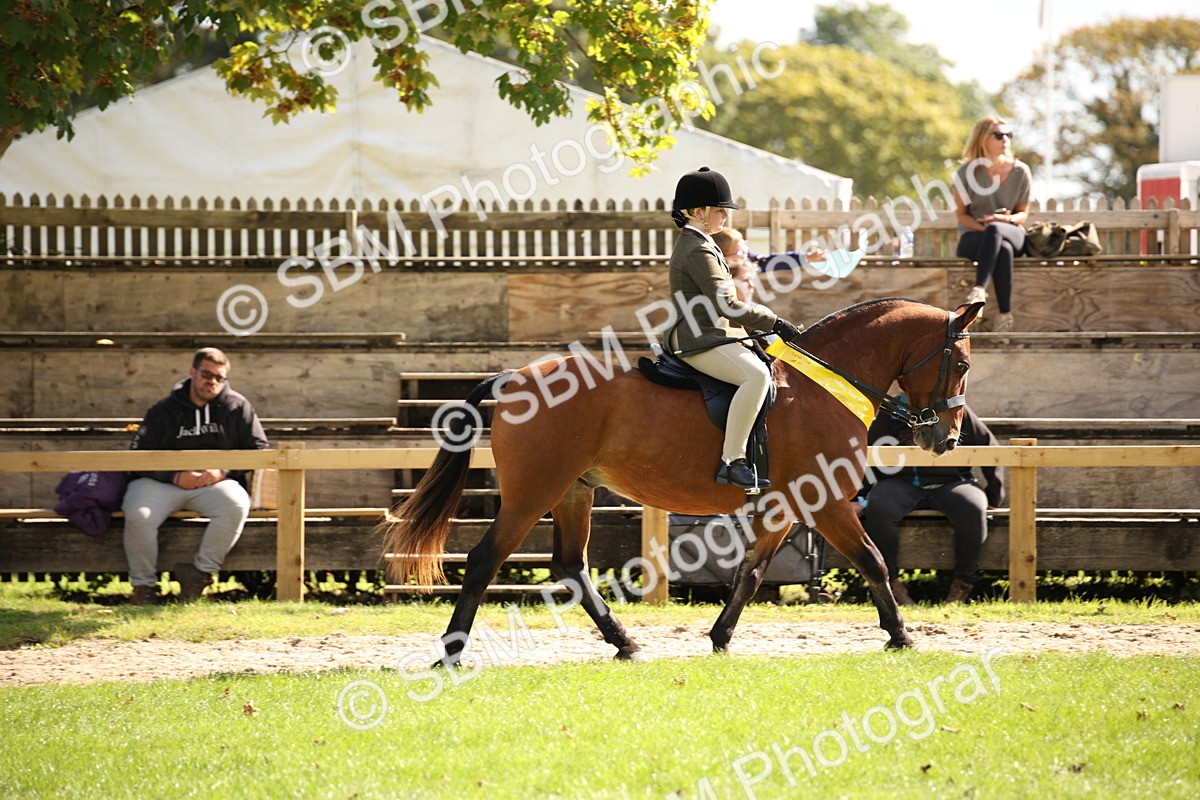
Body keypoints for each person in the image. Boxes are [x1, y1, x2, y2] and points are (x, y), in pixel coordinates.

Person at [667, 167, 804, 491]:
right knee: (755, 376)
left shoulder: (701, 242)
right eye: (719, 210)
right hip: (698, 338)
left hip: (709, 332)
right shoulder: (698, 248)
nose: (726, 216)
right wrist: (774, 322)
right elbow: (727, 304)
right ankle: (732, 461)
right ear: (697, 212)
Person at [122, 347, 269, 605]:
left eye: (218, 377)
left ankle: (199, 576)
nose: (212, 381)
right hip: (161, 483)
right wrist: (174, 476)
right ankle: (143, 588)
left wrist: (223, 471)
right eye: (206, 374)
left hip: (213, 484)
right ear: (193, 372)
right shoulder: (163, 409)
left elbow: (259, 450)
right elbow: (137, 456)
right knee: (138, 515)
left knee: (236, 504)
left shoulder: (237, 406)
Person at [859, 403, 1004, 605]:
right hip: (901, 483)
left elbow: (989, 447)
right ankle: (890, 583)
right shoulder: (891, 413)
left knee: (973, 507)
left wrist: (994, 496)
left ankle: (963, 583)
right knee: (880, 506)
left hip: (952, 483)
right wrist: (859, 497)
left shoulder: (955, 409)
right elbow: (868, 452)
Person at [954, 115, 1032, 333]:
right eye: (998, 135)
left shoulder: (1020, 171)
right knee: (1001, 247)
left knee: (999, 233)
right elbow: (962, 215)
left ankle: (978, 290)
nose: (1005, 139)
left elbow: (1022, 215)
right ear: (982, 139)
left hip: (1012, 232)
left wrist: (1002, 220)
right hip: (975, 236)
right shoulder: (966, 173)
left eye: (1009, 135)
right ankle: (1005, 317)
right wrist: (986, 228)